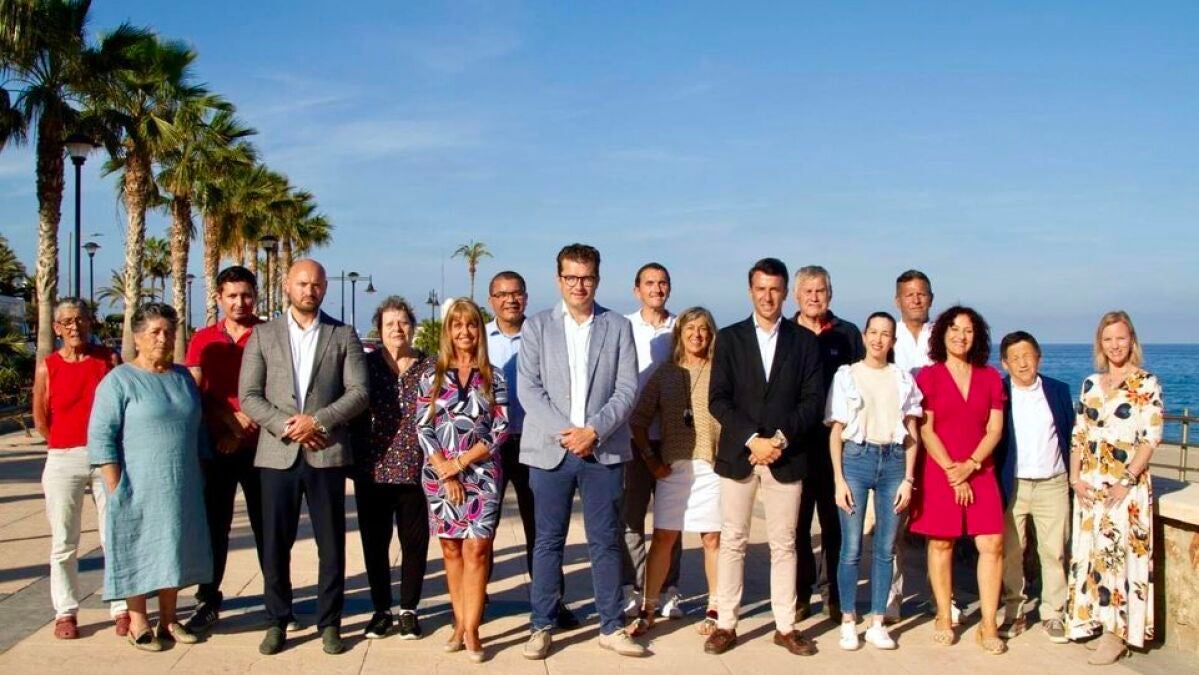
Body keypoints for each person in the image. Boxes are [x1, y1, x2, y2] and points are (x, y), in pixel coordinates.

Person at [518, 243, 644, 659]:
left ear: (597, 279)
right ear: (559, 280)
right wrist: (567, 434)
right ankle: (541, 625)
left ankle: (612, 626)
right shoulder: (537, 327)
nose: (579, 285)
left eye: (586, 277)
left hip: (601, 452)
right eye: (571, 277)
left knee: (605, 540)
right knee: (547, 542)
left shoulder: (617, 327)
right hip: (550, 452)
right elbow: (529, 390)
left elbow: (627, 389)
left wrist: (594, 431)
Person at [239, 259, 369, 656]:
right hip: (277, 455)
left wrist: (318, 421)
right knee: (275, 544)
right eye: (301, 283)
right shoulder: (263, 335)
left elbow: (359, 392)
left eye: (315, 284)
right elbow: (249, 396)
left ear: (325, 288)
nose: (309, 290)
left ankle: (330, 623)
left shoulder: (342, 334)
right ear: (286, 286)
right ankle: (277, 620)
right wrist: (287, 425)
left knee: (331, 546)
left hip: (325, 454)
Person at [703, 258, 824, 657]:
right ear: (750, 291)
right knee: (733, 540)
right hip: (739, 455)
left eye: (774, 289)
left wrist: (779, 441)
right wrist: (754, 440)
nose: (768, 296)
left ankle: (785, 627)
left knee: (784, 544)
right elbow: (718, 399)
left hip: (786, 457)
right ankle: (726, 624)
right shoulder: (730, 338)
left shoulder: (804, 341)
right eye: (760, 288)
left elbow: (813, 401)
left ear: (785, 292)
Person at [87, 303, 211, 651]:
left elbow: (198, 428)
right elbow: (101, 437)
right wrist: (115, 486)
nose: (163, 338)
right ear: (137, 337)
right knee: (136, 547)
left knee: (174, 547)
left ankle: (169, 619)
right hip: (136, 485)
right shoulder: (119, 380)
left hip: (181, 483)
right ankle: (138, 620)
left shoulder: (183, 378)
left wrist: (201, 471)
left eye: (169, 332)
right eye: (155, 332)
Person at [1066, 311, 1162, 666]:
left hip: (1125, 487)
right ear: (1100, 344)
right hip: (1090, 484)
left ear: (1131, 340)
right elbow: (1079, 433)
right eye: (1108, 339)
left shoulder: (1147, 383)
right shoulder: (1091, 383)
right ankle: (1095, 619)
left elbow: (1150, 438)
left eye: (1121, 338)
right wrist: (1075, 478)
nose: (1115, 345)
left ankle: (1117, 634)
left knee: (1119, 557)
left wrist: (1127, 481)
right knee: (1092, 554)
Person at [417, 298, 509, 663]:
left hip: (482, 474)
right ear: (448, 331)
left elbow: (500, 428)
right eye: (457, 325)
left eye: (471, 324)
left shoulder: (494, 376)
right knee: (452, 549)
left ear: (479, 330)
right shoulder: (432, 376)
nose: (464, 332)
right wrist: (446, 468)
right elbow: (423, 427)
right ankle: (459, 622)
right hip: (440, 475)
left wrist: (462, 462)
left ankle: (472, 628)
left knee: (478, 549)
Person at [910, 306, 1007, 655]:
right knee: (941, 543)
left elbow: (994, 429)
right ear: (942, 334)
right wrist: (954, 470)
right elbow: (926, 429)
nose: (960, 335)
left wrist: (971, 464)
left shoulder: (990, 377)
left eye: (968, 330)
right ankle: (943, 615)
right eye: (953, 328)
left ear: (976, 336)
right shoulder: (929, 376)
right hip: (941, 470)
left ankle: (989, 623)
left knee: (992, 543)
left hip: (980, 469)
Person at [485, 271, 579, 627]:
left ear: (525, 296)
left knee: (542, 530)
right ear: (491, 300)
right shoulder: (480, 338)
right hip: (489, 447)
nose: (510, 300)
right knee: (484, 527)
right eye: (502, 294)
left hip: (535, 443)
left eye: (516, 293)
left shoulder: (545, 334)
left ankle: (552, 602)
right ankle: (475, 598)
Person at [31, 298, 129, 639]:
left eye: (81, 320)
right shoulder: (48, 366)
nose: (75, 327)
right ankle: (65, 612)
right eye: (68, 321)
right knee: (63, 540)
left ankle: (121, 607)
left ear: (91, 323)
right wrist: (64, 444)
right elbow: (41, 417)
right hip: (63, 458)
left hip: (106, 456)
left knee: (113, 534)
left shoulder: (109, 360)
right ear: (57, 328)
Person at [826, 312, 921, 651]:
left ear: (893, 340)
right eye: (874, 332)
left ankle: (878, 621)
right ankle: (848, 619)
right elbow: (836, 431)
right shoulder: (847, 376)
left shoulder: (903, 379)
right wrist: (838, 480)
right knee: (851, 547)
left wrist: (908, 478)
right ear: (865, 336)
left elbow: (912, 432)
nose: (879, 339)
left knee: (885, 548)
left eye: (886, 334)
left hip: (893, 461)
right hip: (856, 459)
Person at [627, 307, 722, 637]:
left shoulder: (722, 372)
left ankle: (716, 609)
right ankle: (648, 609)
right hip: (673, 468)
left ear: (711, 335)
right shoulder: (664, 373)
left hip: (713, 468)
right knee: (663, 537)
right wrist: (651, 460)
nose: (697, 334)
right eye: (690, 328)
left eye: (704, 328)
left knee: (712, 539)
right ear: (679, 334)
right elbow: (638, 419)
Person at [183, 266, 265, 634]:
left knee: (268, 528)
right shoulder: (202, 340)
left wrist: (244, 426)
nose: (239, 302)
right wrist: (231, 422)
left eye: (246, 294)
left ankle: (278, 600)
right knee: (215, 528)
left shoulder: (269, 334)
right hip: (216, 449)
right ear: (219, 297)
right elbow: (196, 392)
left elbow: (281, 390)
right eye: (232, 295)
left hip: (262, 448)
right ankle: (207, 598)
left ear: (255, 296)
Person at [350, 296, 432, 640]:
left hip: (416, 468)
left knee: (414, 542)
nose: (397, 329)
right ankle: (381, 610)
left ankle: (409, 610)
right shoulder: (365, 367)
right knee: (375, 542)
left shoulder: (430, 366)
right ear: (379, 329)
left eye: (403, 322)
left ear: (412, 326)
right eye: (389, 324)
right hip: (373, 468)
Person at [792, 265, 864, 622]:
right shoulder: (785, 333)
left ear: (830, 294)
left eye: (820, 290)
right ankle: (800, 594)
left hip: (838, 446)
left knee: (835, 526)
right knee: (797, 526)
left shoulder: (847, 334)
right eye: (807, 291)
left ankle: (835, 595)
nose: (814, 297)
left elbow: (864, 383)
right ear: (796, 296)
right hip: (795, 445)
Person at [994, 331, 1075, 644]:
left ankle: (1054, 612)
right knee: (1011, 551)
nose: (1022, 363)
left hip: (1053, 482)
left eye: (1027, 355)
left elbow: (1070, 434)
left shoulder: (1058, 390)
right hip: (1013, 483)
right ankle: (1014, 611)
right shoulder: (1000, 392)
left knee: (1054, 551)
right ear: (1005, 363)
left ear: (1039, 357)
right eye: (1015, 358)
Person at [621, 262, 684, 620]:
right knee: (631, 519)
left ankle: (668, 589)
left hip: (674, 440)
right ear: (637, 289)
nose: (656, 289)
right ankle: (632, 588)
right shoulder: (624, 326)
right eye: (649, 283)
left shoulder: (682, 327)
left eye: (662, 283)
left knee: (671, 520)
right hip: (631, 437)